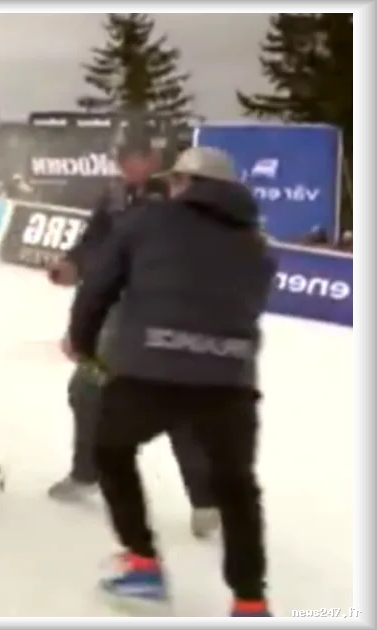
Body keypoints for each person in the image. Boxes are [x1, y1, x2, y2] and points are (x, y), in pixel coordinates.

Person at [63, 146, 275, 617]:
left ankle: (143, 565)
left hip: (148, 371)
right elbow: (250, 303)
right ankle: (250, 601)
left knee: (113, 452)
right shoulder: (257, 242)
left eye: (175, 181)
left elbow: (99, 284)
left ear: (184, 183)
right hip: (230, 381)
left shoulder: (147, 221)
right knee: (237, 486)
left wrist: (84, 343)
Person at [45, 122, 220, 540]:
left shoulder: (182, 196)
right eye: (118, 158)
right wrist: (72, 266)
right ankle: (85, 474)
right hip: (118, 313)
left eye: (130, 158)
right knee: (86, 391)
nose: (121, 165)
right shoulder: (115, 195)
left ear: (153, 158)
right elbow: (95, 245)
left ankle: (206, 499)